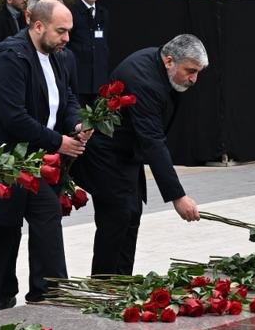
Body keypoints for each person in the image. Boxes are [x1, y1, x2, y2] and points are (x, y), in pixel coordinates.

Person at [0, 0, 86, 315]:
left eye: (69, 31)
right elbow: (14, 118)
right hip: (4, 161)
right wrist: (59, 142)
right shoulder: (11, 59)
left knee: (46, 216)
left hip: (33, 161)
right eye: (61, 31)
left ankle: (50, 293)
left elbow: (67, 96)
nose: (66, 38)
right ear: (38, 25)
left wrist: (76, 122)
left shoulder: (58, 57)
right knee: (3, 229)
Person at [75, 34, 206, 275]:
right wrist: (178, 197)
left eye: (197, 72)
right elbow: (153, 141)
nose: (194, 79)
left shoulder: (158, 64)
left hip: (125, 154)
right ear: (169, 61)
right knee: (117, 219)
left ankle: (121, 282)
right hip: (106, 154)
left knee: (130, 215)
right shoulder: (144, 80)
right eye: (190, 71)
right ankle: (105, 285)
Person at [67, 0, 110, 108]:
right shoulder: (71, 12)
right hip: (78, 79)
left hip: (99, 80)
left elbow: (104, 43)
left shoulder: (103, 13)